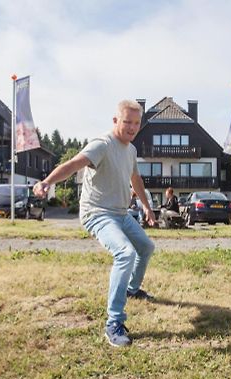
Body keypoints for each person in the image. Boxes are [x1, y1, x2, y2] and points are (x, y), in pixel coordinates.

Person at [33, 100, 156, 347]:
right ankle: (114, 322)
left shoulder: (130, 150)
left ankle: (131, 289)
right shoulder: (103, 144)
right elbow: (73, 164)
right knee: (125, 253)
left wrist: (146, 206)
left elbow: (135, 179)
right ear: (115, 121)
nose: (132, 127)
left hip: (121, 214)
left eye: (136, 123)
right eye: (127, 122)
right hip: (97, 213)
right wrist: (47, 182)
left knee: (146, 247)